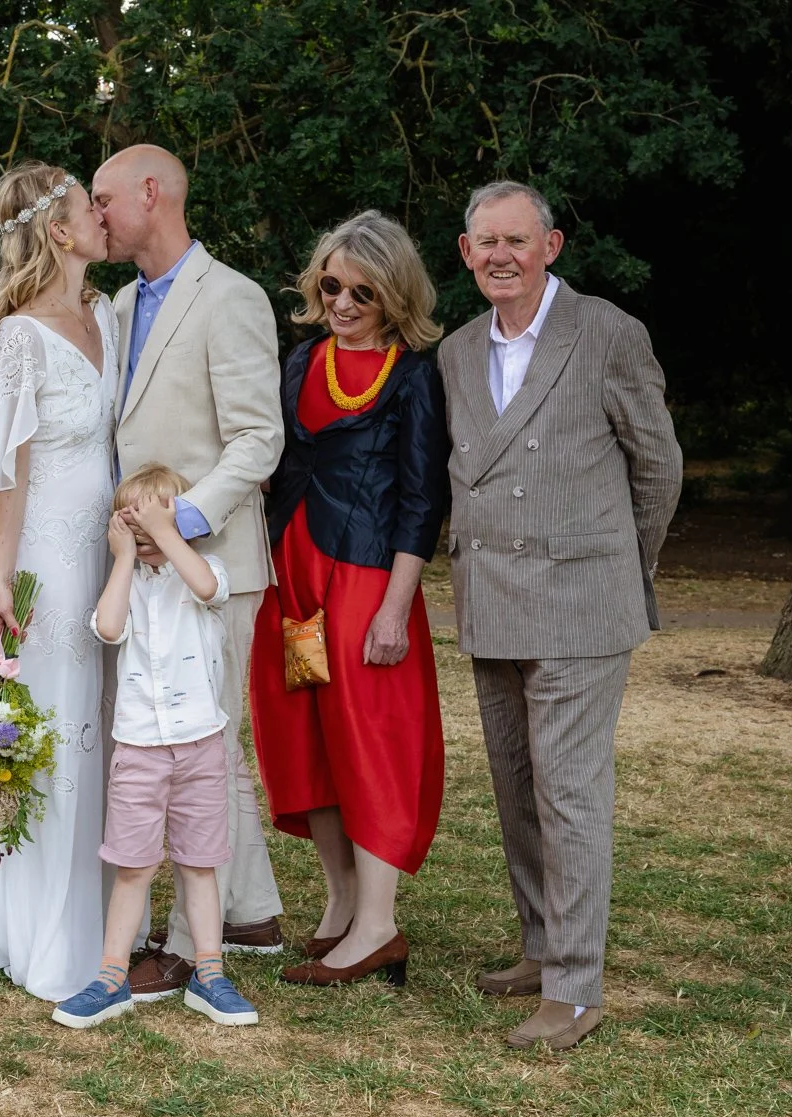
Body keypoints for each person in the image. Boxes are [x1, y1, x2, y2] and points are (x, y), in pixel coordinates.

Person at [440, 181, 682, 1049]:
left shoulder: (607, 332)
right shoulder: (457, 350)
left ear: (552, 246)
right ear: (466, 254)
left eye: (518, 239)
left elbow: (658, 468)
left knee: (570, 793)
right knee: (517, 787)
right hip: (492, 600)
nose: (501, 255)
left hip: (581, 604)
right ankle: (542, 947)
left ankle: (577, 989)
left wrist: (617, 563)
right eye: (486, 242)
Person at [90, 144, 285, 1001]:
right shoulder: (118, 305)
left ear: (151, 193)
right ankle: (253, 911)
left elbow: (258, 438)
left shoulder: (231, 296)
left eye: (103, 199)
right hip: (137, 567)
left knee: (204, 743)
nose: (94, 215)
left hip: (214, 567)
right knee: (208, 745)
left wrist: (181, 529)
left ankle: (182, 946)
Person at [0, 161, 117, 1002]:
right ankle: (34, 923)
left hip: (111, 551)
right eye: (88, 208)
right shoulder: (20, 336)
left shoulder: (107, 313)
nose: (104, 216)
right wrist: (3, 576)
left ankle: (105, 913)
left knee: (103, 721)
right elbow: (7, 467)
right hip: (47, 554)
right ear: (59, 231)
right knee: (52, 723)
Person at [249, 210, 449, 987]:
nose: (341, 301)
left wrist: (397, 607)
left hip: (365, 583)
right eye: (331, 284)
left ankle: (378, 925)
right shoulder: (303, 358)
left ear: (393, 292)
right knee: (306, 737)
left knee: (369, 746)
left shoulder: (414, 375)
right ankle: (341, 905)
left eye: (361, 291)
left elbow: (422, 500)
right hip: (292, 576)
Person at [52, 465, 259, 1029]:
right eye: (133, 520)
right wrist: (122, 557)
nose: (144, 529)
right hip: (140, 748)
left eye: (156, 517)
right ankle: (110, 978)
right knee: (133, 866)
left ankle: (209, 975)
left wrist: (167, 532)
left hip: (200, 744)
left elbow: (209, 588)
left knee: (200, 864)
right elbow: (109, 628)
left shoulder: (204, 571)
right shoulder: (128, 583)